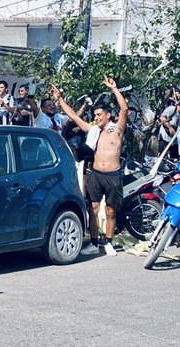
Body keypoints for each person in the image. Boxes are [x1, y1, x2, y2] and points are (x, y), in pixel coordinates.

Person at [51, 77, 129, 255]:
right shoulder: (94, 130)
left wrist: (114, 89)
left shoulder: (116, 130)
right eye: (95, 115)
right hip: (95, 174)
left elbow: (124, 109)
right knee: (93, 208)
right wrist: (60, 99)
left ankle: (108, 242)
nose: (96, 118)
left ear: (108, 115)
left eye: (99, 115)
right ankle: (94, 243)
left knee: (110, 210)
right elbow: (73, 116)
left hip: (112, 175)